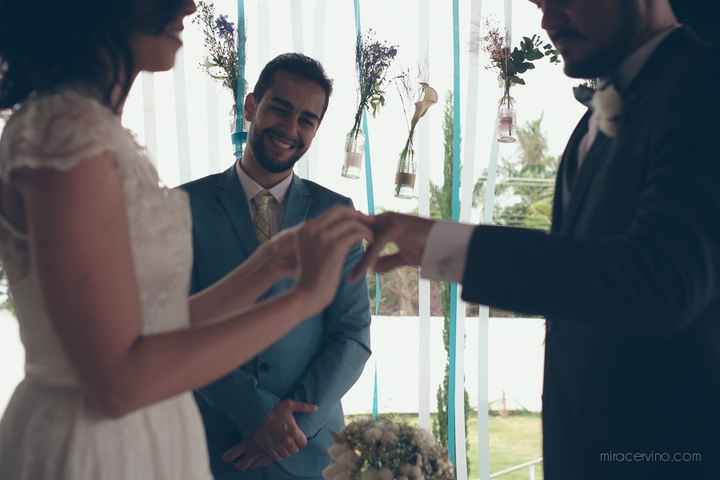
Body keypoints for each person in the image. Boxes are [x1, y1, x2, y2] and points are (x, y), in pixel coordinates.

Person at [0, 1, 372, 479]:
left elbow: (150, 326)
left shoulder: (89, 131)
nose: (191, 4)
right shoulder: (64, 137)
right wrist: (302, 299)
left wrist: (270, 267)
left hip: (164, 439)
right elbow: (117, 382)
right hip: (94, 449)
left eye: (308, 119)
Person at [352, 0, 720, 478]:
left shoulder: (703, 86)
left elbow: (662, 280)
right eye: (540, 3)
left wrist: (443, 246)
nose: (547, 20)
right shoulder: (597, 119)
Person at [181, 53, 371, 480]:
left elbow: (352, 335)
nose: (290, 129)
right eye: (280, 109)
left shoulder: (336, 212)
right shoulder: (182, 206)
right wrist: (257, 415)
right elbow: (179, 331)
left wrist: (291, 425)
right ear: (252, 106)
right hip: (215, 447)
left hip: (310, 452)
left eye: (307, 119)